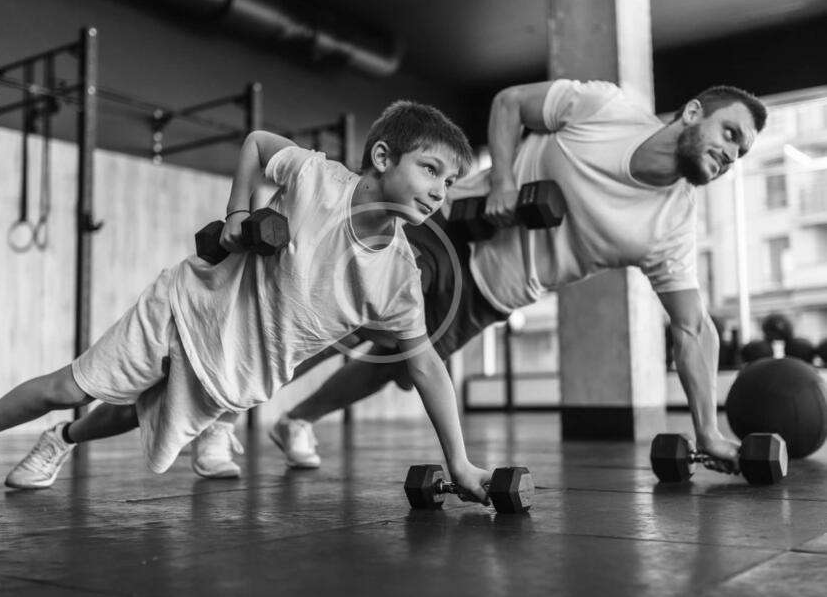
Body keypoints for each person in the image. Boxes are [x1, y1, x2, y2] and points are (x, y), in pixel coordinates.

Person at [0, 100, 493, 504]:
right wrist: (237, 213)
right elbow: (257, 143)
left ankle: (60, 439)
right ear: (383, 157)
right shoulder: (317, 180)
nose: (440, 191)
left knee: (135, 413)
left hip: (235, 369)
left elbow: (426, 366)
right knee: (71, 387)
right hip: (186, 308)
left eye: (450, 182)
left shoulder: (398, 278)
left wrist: (460, 462)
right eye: (430, 169)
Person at [258, 79, 767, 472]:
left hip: (492, 294)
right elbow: (510, 103)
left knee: (397, 363)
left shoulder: (672, 226)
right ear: (693, 112)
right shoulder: (605, 109)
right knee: (357, 312)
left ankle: (295, 420)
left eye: (741, 152)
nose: (731, 155)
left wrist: (708, 430)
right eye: (730, 133)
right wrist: (503, 180)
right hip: (451, 225)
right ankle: (233, 398)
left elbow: (692, 327)